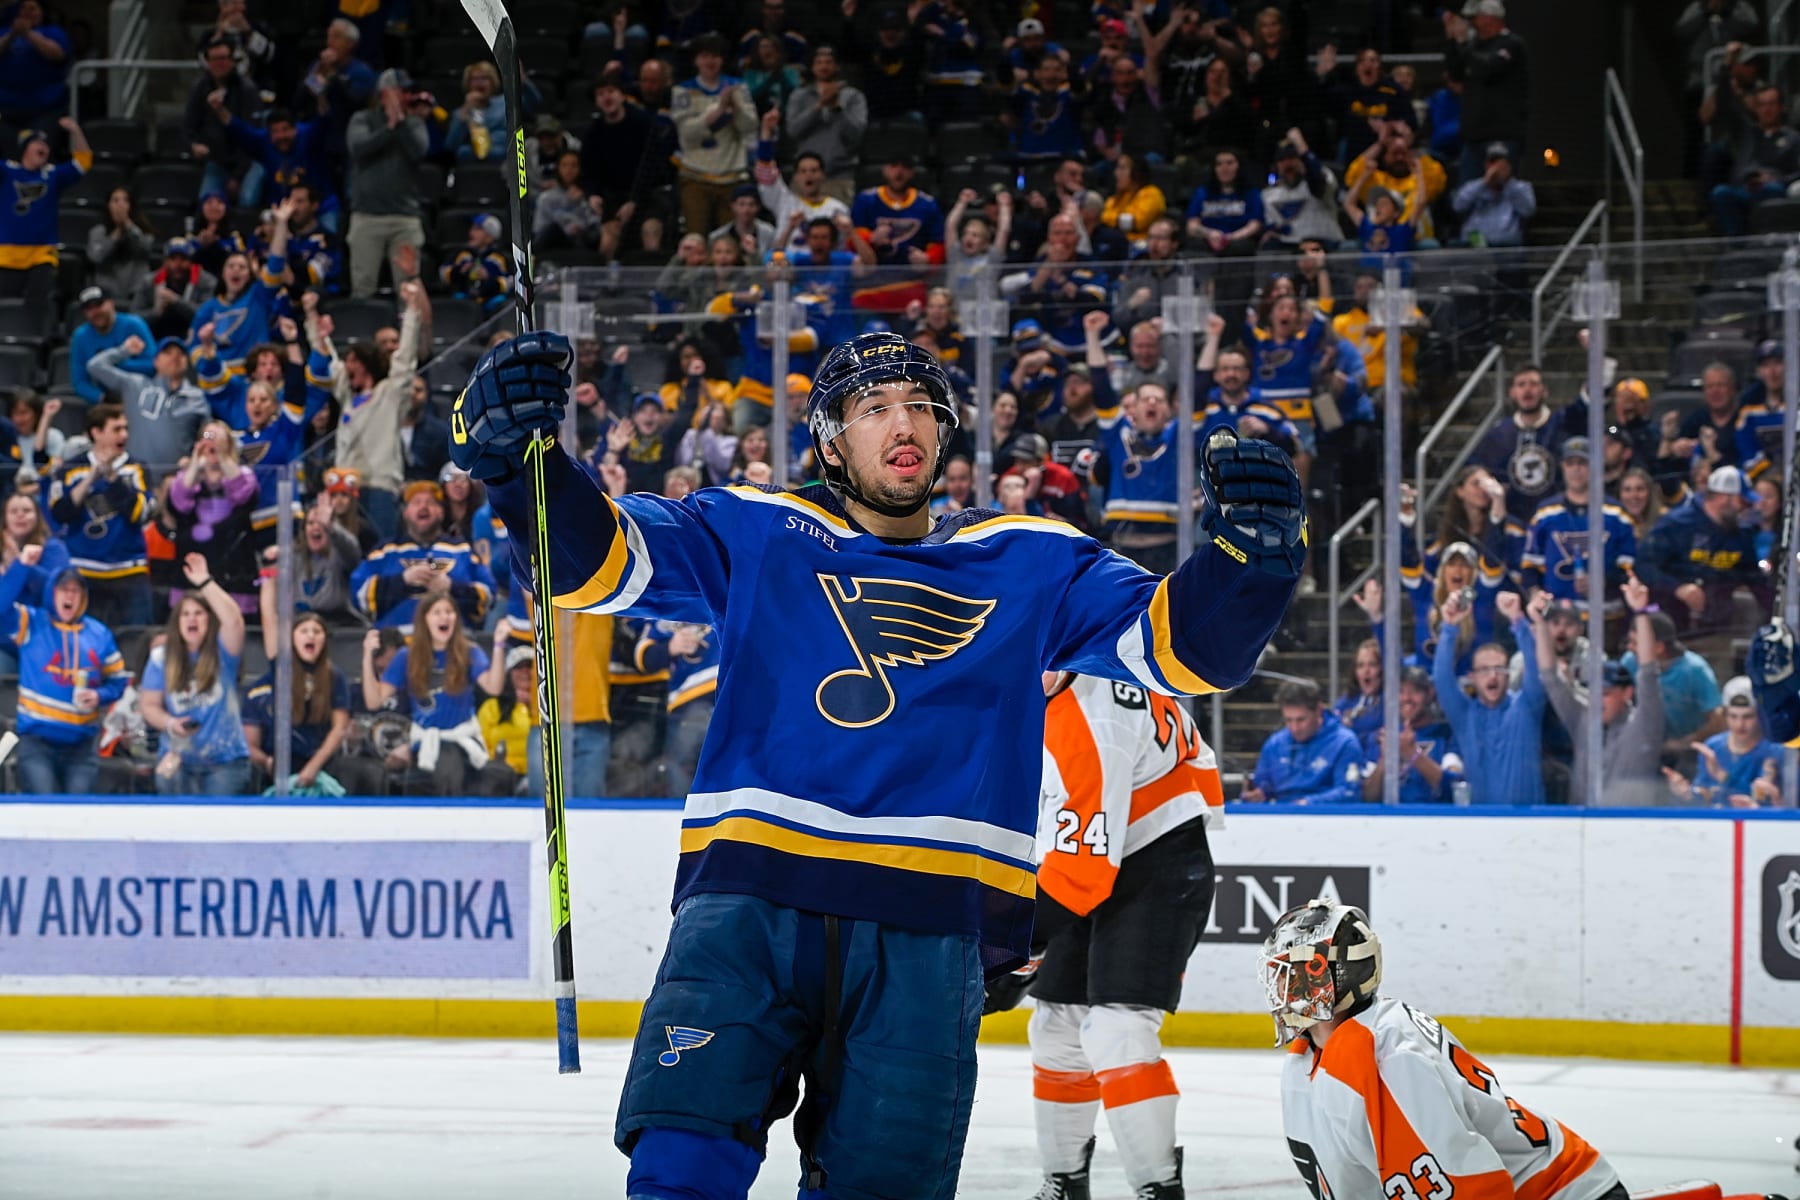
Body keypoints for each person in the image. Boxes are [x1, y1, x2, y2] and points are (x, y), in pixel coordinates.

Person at [448, 326, 1302, 1196]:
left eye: (924, 407)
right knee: (680, 1168)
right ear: (828, 440)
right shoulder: (754, 527)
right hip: (748, 910)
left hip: (929, 933)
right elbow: (589, 564)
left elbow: (1188, 652)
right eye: (876, 406)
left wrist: (1251, 565)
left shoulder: (1031, 557)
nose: (907, 424)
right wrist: (521, 463)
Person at [1002, 671, 1221, 1200]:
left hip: (1162, 857)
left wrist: (1007, 947)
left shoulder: (1091, 718)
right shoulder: (1046, 688)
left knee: (1117, 1030)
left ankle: (1158, 1187)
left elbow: (1080, 879)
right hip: (1101, 847)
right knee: (1056, 1025)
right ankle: (1064, 1182)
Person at [1261, 900, 1625, 1200]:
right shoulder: (1307, 1054)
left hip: (1560, 1192)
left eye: (1292, 972)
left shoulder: (1383, 1057)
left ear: (1333, 977)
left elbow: (1470, 1191)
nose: (1280, 986)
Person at [0, 546, 127, 794]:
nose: (70, 595)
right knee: (44, 815)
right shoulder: (31, 623)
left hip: (82, 744)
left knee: (78, 819)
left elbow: (118, 680)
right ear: (51, 592)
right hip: (37, 742)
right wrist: (21, 566)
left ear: (83, 596)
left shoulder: (99, 633)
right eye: (63, 589)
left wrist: (100, 696)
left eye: (75, 590)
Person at [306, 283, 426, 539]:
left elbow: (405, 359)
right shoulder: (348, 397)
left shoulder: (389, 393)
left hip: (379, 488)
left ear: (366, 364)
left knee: (380, 552)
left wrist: (413, 310)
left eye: (353, 361)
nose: (346, 367)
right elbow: (328, 359)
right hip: (343, 491)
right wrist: (312, 318)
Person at [361, 594, 508, 796]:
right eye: (437, 612)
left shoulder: (469, 652)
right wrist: (367, 655)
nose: (444, 617)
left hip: (459, 747)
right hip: (423, 749)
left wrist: (499, 646)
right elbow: (374, 700)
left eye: (449, 612)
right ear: (425, 619)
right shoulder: (407, 656)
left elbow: (493, 687)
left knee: (449, 762)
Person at [1539, 573, 1665, 806]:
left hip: (1632, 831)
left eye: (1606, 694)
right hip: (1580, 830)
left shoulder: (1644, 724)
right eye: (1594, 693)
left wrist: (1640, 612)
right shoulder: (1583, 719)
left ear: (1627, 693)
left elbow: (1648, 672)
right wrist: (1538, 622)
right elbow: (1550, 678)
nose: (1597, 701)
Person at [139, 552, 252, 795]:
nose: (192, 619)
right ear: (176, 622)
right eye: (186, 614)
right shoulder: (161, 658)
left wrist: (205, 582)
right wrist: (170, 723)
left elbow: (234, 622)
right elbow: (149, 705)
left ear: (210, 620)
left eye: (199, 613)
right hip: (178, 758)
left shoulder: (223, 652)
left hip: (225, 762)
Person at [243, 601, 380, 794]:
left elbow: (339, 727)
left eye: (317, 631)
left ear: (324, 639)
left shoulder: (334, 676)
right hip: (281, 763)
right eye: (304, 631)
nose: (311, 635)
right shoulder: (281, 671)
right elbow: (270, 618)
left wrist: (313, 767)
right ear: (291, 639)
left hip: (322, 761)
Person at [1434, 588, 1549, 806]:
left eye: (1499, 669)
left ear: (1509, 675)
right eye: (1484, 670)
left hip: (1530, 824)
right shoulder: (1464, 715)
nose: (1493, 675)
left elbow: (1536, 669)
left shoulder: (1526, 707)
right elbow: (1442, 678)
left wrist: (1518, 620)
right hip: (1481, 825)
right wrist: (1449, 627)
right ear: (1472, 678)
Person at [48, 404, 152, 628]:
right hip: (84, 570)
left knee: (136, 637)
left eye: (125, 429)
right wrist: (89, 480)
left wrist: (113, 479)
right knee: (84, 638)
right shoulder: (70, 468)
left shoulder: (137, 468)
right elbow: (60, 514)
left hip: (129, 570)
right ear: (96, 433)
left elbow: (141, 514)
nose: (124, 435)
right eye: (116, 429)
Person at [350, 480, 495, 632]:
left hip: (453, 646)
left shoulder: (462, 550)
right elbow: (358, 595)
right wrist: (404, 580)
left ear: (441, 512)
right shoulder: (385, 552)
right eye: (416, 502)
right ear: (405, 512)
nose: (423, 507)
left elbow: (488, 596)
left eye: (430, 502)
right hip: (396, 645)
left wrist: (451, 587)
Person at [1638, 465, 1766, 636]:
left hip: (1719, 627)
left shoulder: (1741, 534)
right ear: (1723, 498)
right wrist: (1677, 588)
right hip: (1671, 626)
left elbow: (1755, 580)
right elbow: (1644, 565)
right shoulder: (1676, 525)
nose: (1746, 508)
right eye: (1742, 501)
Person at [1519, 438, 1636, 616]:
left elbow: (1631, 569)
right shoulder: (1545, 514)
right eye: (1570, 463)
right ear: (1562, 467)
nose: (1576, 469)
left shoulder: (1617, 515)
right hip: (1558, 618)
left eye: (1582, 463)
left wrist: (1604, 582)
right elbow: (1530, 565)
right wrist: (1535, 595)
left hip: (1607, 616)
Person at [344, 68, 427, 298]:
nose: (407, 96)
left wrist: (400, 124)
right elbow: (358, 149)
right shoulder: (363, 119)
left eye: (408, 91)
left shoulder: (413, 123)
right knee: (363, 287)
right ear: (383, 94)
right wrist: (389, 127)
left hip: (404, 218)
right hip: (367, 217)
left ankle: (412, 334)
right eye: (401, 91)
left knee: (409, 290)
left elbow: (420, 151)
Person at [671, 34, 758, 239]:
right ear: (696, 60)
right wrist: (717, 111)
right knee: (696, 238)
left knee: (730, 241)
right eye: (704, 56)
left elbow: (750, 125)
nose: (710, 62)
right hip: (695, 175)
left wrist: (735, 106)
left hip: (732, 174)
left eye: (715, 56)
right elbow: (687, 134)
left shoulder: (738, 87)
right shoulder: (683, 91)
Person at [167, 421, 259, 613]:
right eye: (208, 437)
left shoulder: (243, 474)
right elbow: (178, 503)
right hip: (194, 560)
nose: (212, 443)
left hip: (232, 564)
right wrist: (195, 464)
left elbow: (244, 496)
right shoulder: (188, 476)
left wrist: (225, 459)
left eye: (218, 438)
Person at [0, 119, 89, 314]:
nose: (44, 147)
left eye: (46, 145)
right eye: (38, 143)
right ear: (25, 148)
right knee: (5, 311)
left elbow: (83, 162)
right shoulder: (8, 171)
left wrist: (75, 131)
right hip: (6, 255)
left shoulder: (52, 175)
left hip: (42, 255)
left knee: (37, 310)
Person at [1443, 0, 1529, 184]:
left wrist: (1464, 44)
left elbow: (1489, 67)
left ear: (1490, 18)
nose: (1471, 24)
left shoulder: (1511, 44)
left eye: (1475, 18)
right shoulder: (1473, 47)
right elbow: (1455, 73)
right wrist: (1452, 41)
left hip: (1502, 135)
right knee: (1468, 194)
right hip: (1473, 136)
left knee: (1501, 190)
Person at [1240, 678, 1365, 805]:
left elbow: (1349, 793)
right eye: (1288, 720)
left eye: (1301, 720)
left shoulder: (1344, 743)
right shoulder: (1274, 744)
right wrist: (1257, 794)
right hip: (1281, 817)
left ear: (1318, 711)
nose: (1294, 728)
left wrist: (1308, 803)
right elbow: (1262, 785)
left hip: (1326, 819)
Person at [1666, 676, 1782, 807]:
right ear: (1725, 715)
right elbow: (1705, 794)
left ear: (1761, 716)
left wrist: (1724, 777)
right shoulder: (1713, 746)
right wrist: (1686, 793)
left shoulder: (1774, 750)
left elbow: (1766, 799)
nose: (1739, 724)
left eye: (1748, 716)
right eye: (1733, 716)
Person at [1471, 364, 1564, 525]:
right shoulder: (1498, 435)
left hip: (1556, 520)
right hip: (1512, 523)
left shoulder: (1560, 426)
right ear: (1512, 393)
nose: (1527, 389)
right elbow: (1475, 467)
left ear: (1544, 391)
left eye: (1533, 384)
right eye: (1521, 384)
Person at [636, 620, 718, 798]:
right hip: (687, 704)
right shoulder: (674, 599)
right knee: (681, 772)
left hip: (739, 701)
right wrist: (672, 647)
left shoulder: (744, 598)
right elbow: (644, 657)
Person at [1359, 666, 1461, 804]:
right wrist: (1385, 761)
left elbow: (1455, 790)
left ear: (1429, 694)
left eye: (1415, 691)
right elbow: (1367, 797)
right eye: (1400, 691)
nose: (1407, 698)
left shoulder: (1448, 736)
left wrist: (1412, 754)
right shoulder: (1381, 737)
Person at [783, 46, 866, 200]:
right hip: (805, 177)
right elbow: (793, 131)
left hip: (840, 177)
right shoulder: (799, 95)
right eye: (819, 62)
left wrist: (837, 109)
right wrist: (818, 107)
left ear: (837, 66)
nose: (824, 66)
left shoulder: (853, 96)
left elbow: (856, 135)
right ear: (813, 67)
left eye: (828, 62)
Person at [69, 286, 155, 404]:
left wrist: (111, 365)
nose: (95, 312)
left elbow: (153, 365)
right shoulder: (80, 336)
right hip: (105, 402)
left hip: (140, 394)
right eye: (89, 309)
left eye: (99, 305)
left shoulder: (134, 325)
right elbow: (80, 382)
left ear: (111, 303)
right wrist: (102, 398)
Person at [0, 0, 70, 131]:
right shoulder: (4, 31)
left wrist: (28, 33)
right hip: (6, 107)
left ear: (41, 12)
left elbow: (57, 55)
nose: (28, 13)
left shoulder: (53, 31)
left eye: (32, 9)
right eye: (23, 8)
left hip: (45, 108)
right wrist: (12, 35)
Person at [85, 190, 159, 310]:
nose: (120, 205)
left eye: (125, 200)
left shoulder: (143, 231)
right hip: (106, 295)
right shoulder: (97, 233)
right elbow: (96, 257)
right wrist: (117, 233)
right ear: (108, 205)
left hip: (136, 294)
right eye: (115, 200)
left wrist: (128, 225)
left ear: (131, 206)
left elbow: (145, 248)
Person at [1453, 142, 1536, 246]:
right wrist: (1484, 183)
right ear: (1485, 165)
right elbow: (1458, 206)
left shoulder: (1521, 187)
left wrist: (1507, 182)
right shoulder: (1473, 186)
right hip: (1474, 247)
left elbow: (1528, 210)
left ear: (1509, 166)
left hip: (1506, 247)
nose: (1495, 168)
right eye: (1492, 163)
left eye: (1500, 164)